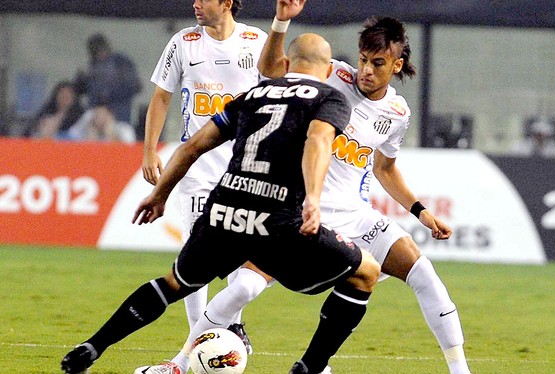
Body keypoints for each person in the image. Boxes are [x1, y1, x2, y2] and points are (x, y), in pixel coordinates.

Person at [145, 0, 472, 374]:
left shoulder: (398, 112)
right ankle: (182, 362)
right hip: (300, 212)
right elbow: (269, 69)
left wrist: (420, 212)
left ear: (397, 64)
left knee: (423, 272)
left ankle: (459, 370)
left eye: (378, 63)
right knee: (243, 288)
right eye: (364, 59)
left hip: (355, 214)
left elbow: (385, 168)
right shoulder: (329, 72)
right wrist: (281, 24)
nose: (366, 70)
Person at [60, 32, 381, 374]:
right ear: (328, 67)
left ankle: (93, 346)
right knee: (366, 272)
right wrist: (313, 200)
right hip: (276, 220)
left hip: (224, 211)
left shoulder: (252, 95)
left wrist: (159, 194)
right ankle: (309, 367)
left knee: (173, 283)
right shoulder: (329, 97)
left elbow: (192, 146)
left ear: (286, 64)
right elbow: (318, 141)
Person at [139, 0, 268, 365]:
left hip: (245, 168)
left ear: (226, 3)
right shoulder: (183, 43)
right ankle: (201, 340)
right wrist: (149, 149)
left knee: (238, 250)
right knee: (196, 250)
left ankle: (231, 326)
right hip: (197, 168)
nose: (195, 4)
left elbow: (276, 93)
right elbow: (162, 96)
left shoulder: (256, 42)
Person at [74, 33, 142, 126]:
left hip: (119, 114)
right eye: (96, 51)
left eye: (101, 49)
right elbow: (82, 90)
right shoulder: (93, 65)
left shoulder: (121, 62)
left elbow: (135, 86)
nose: (100, 53)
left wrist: (109, 93)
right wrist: (81, 80)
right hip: (95, 115)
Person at [67, 104, 137, 143]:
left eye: (102, 115)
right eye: (96, 115)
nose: (98, 119)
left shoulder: (124, 128)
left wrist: (111, 136)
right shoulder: (90, 130)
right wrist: (90, 141)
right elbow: (72, 135)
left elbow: (130, 148)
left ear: (111, 116)